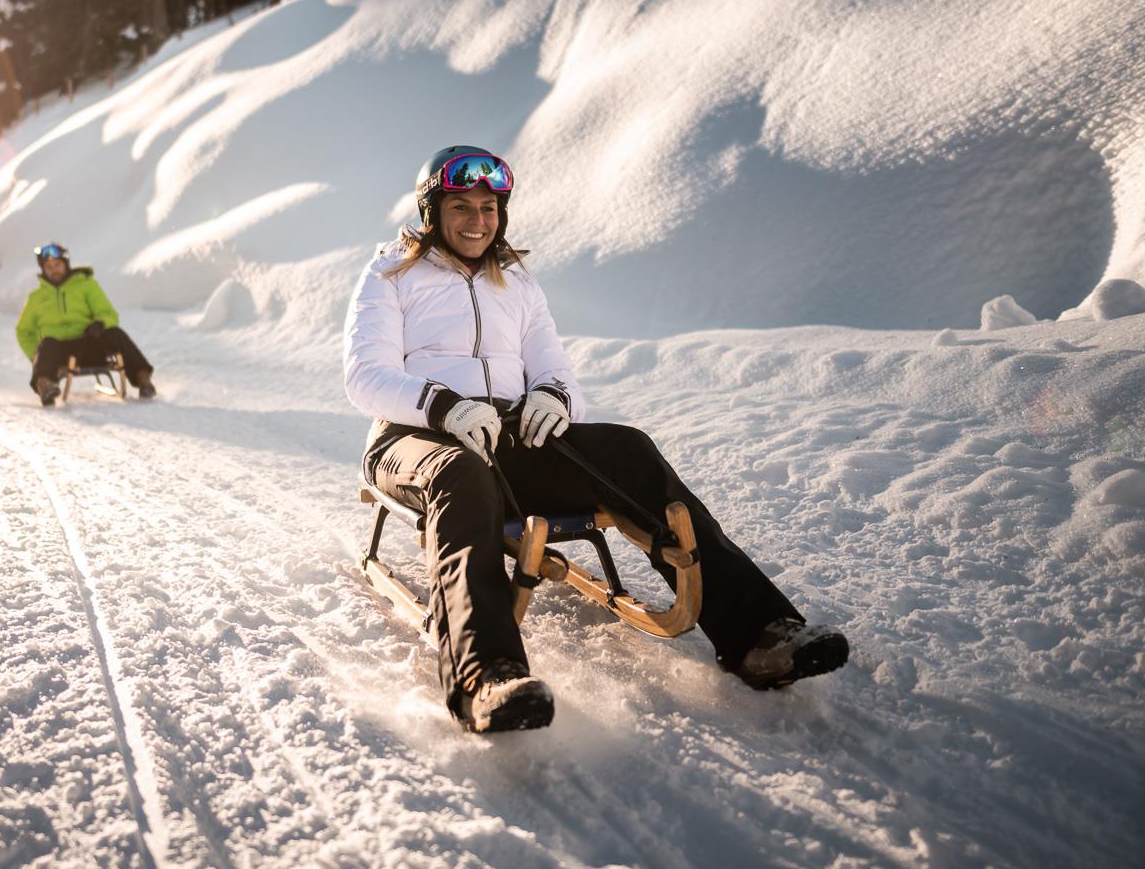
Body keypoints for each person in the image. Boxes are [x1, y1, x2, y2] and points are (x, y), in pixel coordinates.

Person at [342, 146, 848, 733]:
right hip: (413, 439)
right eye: (461, 206)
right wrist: (443, 407)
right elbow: (365, 376)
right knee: (461, 475)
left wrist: (552, 398)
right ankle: (486, 677)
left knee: (627, 449)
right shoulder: (390, 274)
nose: (478, 220)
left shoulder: (519, 284)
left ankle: (758, 634)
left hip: (504, 441)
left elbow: (557, 371)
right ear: (432, 209)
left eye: (489, 206)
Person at [17, 242, 158, 403]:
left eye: (57, 264)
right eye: (48, 266)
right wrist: (36, 356)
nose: (53, 269)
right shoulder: (36, 298)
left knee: (114, 333)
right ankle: (45, 386)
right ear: (43, 269)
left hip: (88, 344)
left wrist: (100, 323)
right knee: (47, 343)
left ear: (66, 264)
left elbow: (108, 313)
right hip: (59, 353)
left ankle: (143, 380)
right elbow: (23, 331)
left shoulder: (86, 285)